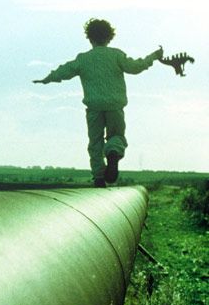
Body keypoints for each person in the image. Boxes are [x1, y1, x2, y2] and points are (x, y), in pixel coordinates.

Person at [33, 18, 163, 187]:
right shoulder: (116, 55)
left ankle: (99, 177)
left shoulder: (83, 59)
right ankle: (113, 152)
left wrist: (48, 79)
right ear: (109, 37)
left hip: (94, 107)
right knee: (116, 136)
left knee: (95, 142)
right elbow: (135, 67)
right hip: (115, 105)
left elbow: (64, 71)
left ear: (89, 37)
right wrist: (153, 56)